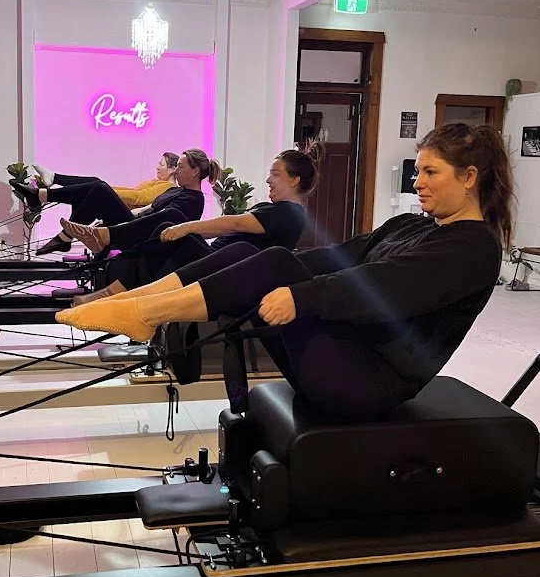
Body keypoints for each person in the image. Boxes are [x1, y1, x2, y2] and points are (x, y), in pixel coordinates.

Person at [56, 123, 511, 416]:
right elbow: (338, 258)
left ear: (468, 177)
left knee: (271, 262)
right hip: (346, 356)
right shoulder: (411, 224)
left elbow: (384, 287)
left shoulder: (473, 248)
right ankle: (140, 305)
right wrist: (285, 275)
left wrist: (300, 294)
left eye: (430, 172)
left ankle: (147, 312)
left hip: (371, 384)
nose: (418, 181)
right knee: (264, 259)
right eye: (419, 171)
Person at [65, 148, 317, 304]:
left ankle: (109, 245)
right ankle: (116, 283)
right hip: (215, 261)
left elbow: (234, 223)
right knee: (165, 225)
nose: (268, 180)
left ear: (294, 180)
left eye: (275, 174)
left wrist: (187, 228)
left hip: (220, 270)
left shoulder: (288, 213)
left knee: (173, 218)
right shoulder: (283, 210)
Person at [10, 150, 216, 255]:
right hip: (136, 228)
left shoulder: (192, 201)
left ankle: (43, 197)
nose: (177, 171)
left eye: (180, 167)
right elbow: (146, 208)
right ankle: (55, 220)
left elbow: (159, 222)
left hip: (141, 238)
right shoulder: (179, 191)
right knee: (98, 188)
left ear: (195, 171)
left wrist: (118, 215)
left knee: (99, 188)